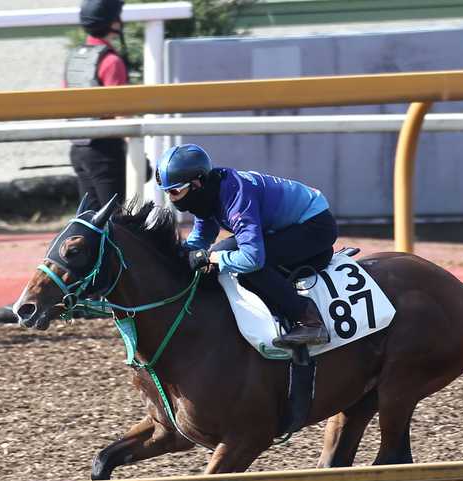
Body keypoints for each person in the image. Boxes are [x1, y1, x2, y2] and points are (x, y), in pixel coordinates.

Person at [156, 143, 338, 349]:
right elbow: (200, 239)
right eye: (167, 192)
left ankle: (310, 321)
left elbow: (252, 258)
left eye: (174, 191)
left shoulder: (236, 197)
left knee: (246, 266)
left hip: (315, 226)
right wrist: (175, 258)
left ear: (197, 183)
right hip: (290, 225)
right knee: (221, 252)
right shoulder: (207, 192)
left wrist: (212, 258)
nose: (170, 199)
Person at [65, 0, 129, 212]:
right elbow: (121, 113)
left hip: (78, 148)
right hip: (105, 151)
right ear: (113, 22)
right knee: (115, 220)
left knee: (88, 220)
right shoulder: (111, 62)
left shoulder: (74, 58)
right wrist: (138, 153)